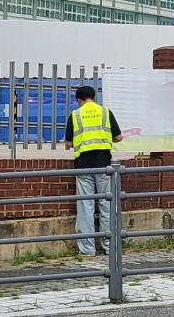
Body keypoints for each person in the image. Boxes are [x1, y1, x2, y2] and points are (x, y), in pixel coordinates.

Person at [65, 86, 123, 256]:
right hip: (104, 165)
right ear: (94, 97)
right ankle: (110, 246)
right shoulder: (105, 112)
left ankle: (87, 250)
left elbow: (69, 143)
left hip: (83, 165)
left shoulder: (75, 115)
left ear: (79, 100)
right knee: (107, 204)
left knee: (85, 207)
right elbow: (119, 137)